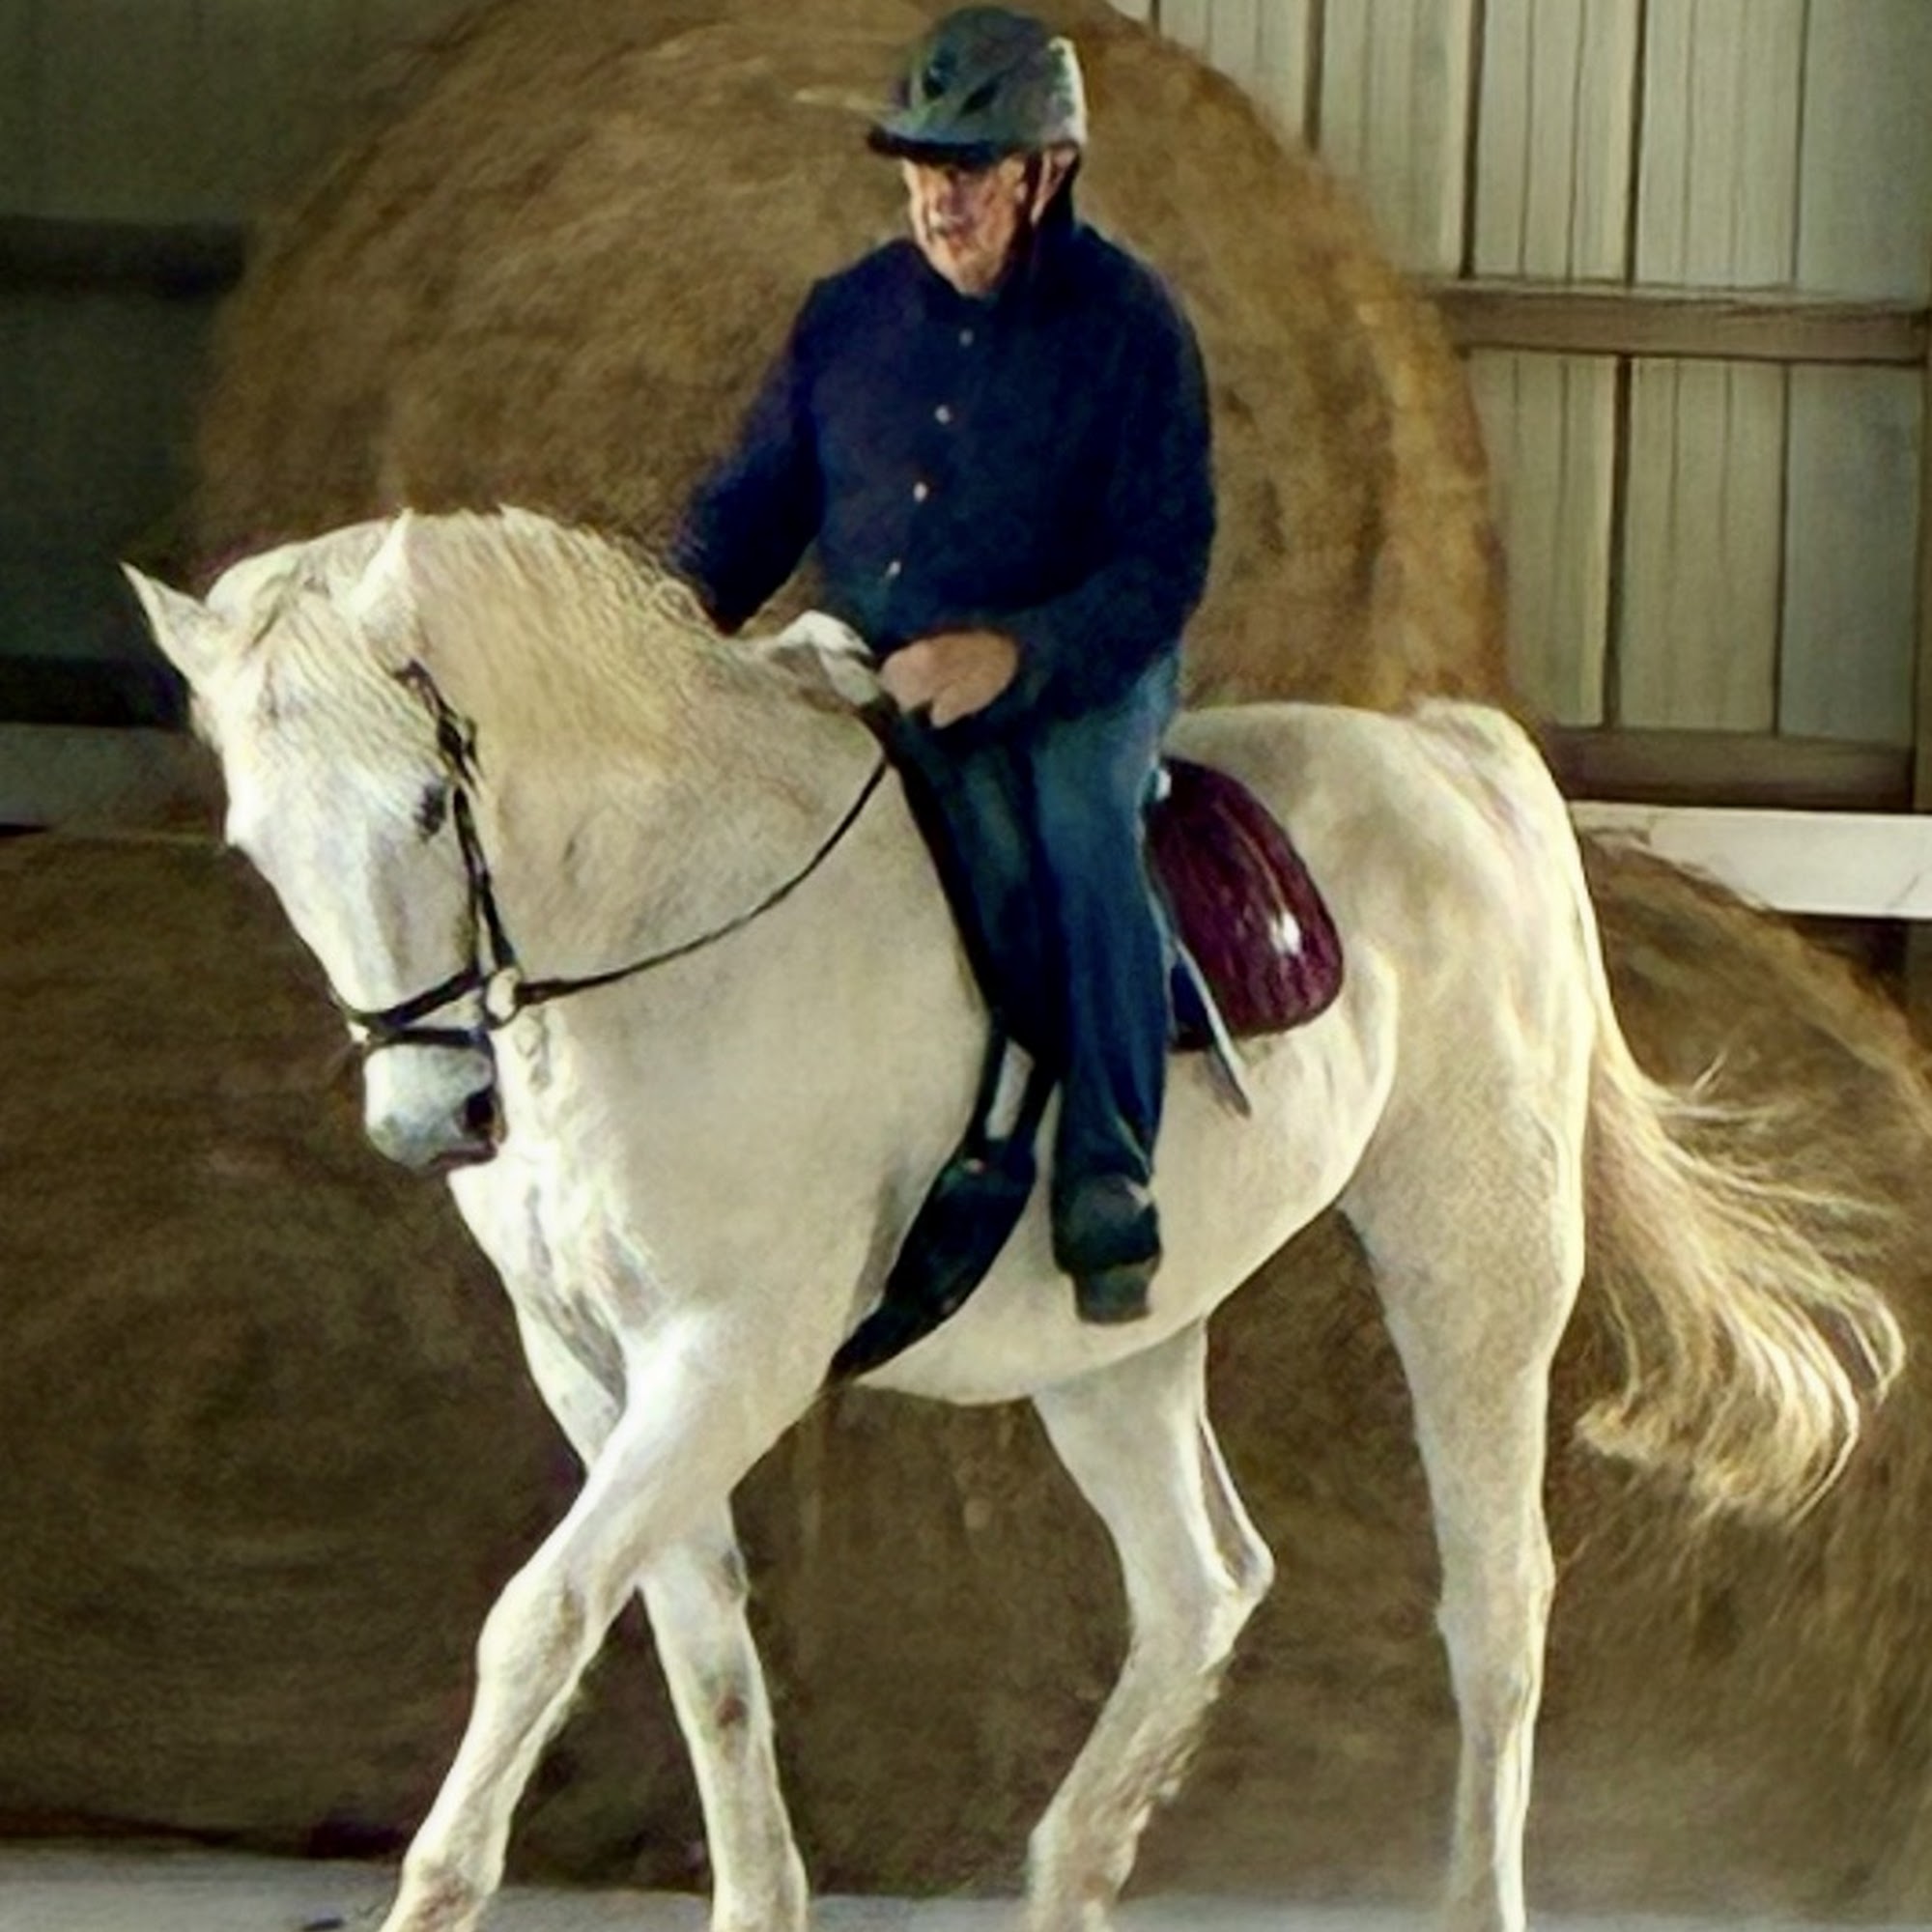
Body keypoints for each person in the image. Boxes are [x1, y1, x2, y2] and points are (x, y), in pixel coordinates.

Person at [669, 4, 1215, 1323]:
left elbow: (1164, 562)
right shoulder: (846, 318)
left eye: (966, 172)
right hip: (884, 659)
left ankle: (1109, 1162)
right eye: (921, 169)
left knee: (1078, 827)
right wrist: (660, 621)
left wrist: (1016, 657)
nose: (937, 201)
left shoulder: (1133, 329)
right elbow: (755, 508)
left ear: (1046, 173)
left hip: (1081, 661)